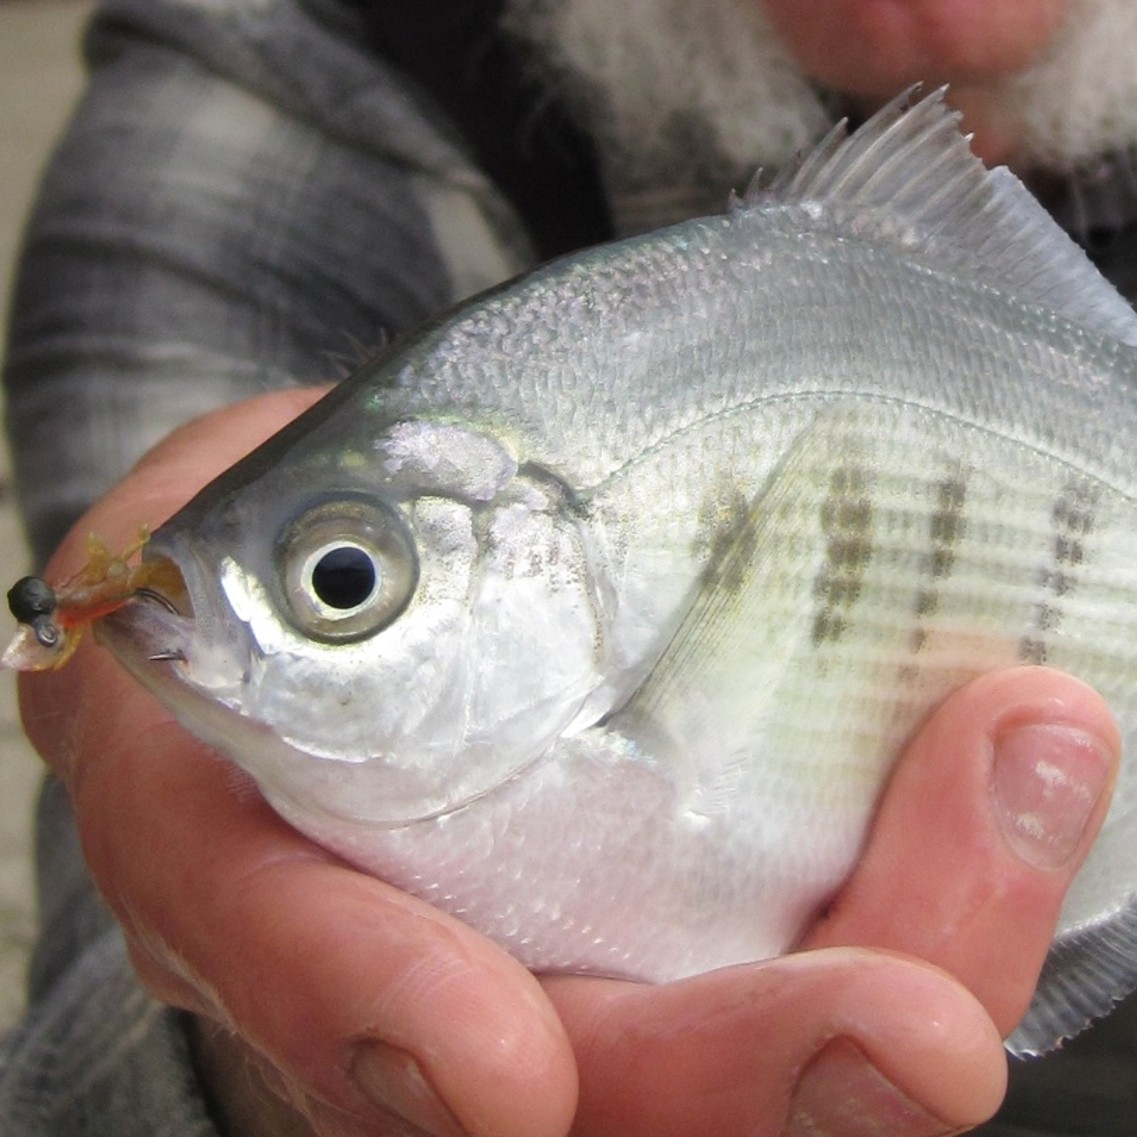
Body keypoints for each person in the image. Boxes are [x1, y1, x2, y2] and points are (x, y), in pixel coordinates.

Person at [2, 2, 1137, 1134]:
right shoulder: (281, 78)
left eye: (346, 579)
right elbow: (90, 1004)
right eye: (342, 582)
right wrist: (254, 1058)